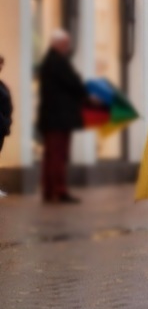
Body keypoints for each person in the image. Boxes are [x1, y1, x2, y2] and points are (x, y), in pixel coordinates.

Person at [35, 30, 91, 204]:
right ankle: (58, 190)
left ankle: (49, 190)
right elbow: (73, 84)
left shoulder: (49, 62)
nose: (68, 47)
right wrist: (86, 95)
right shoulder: (57, 62)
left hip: (52, 117)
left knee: (51, 155)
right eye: (66, 44)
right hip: (58, 118)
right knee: (58, 155)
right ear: (58, 44)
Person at [0, 54, 12, 197]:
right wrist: (4, 120)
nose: (1, 66)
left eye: (2, 63)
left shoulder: (1, 84)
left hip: (2, 127)